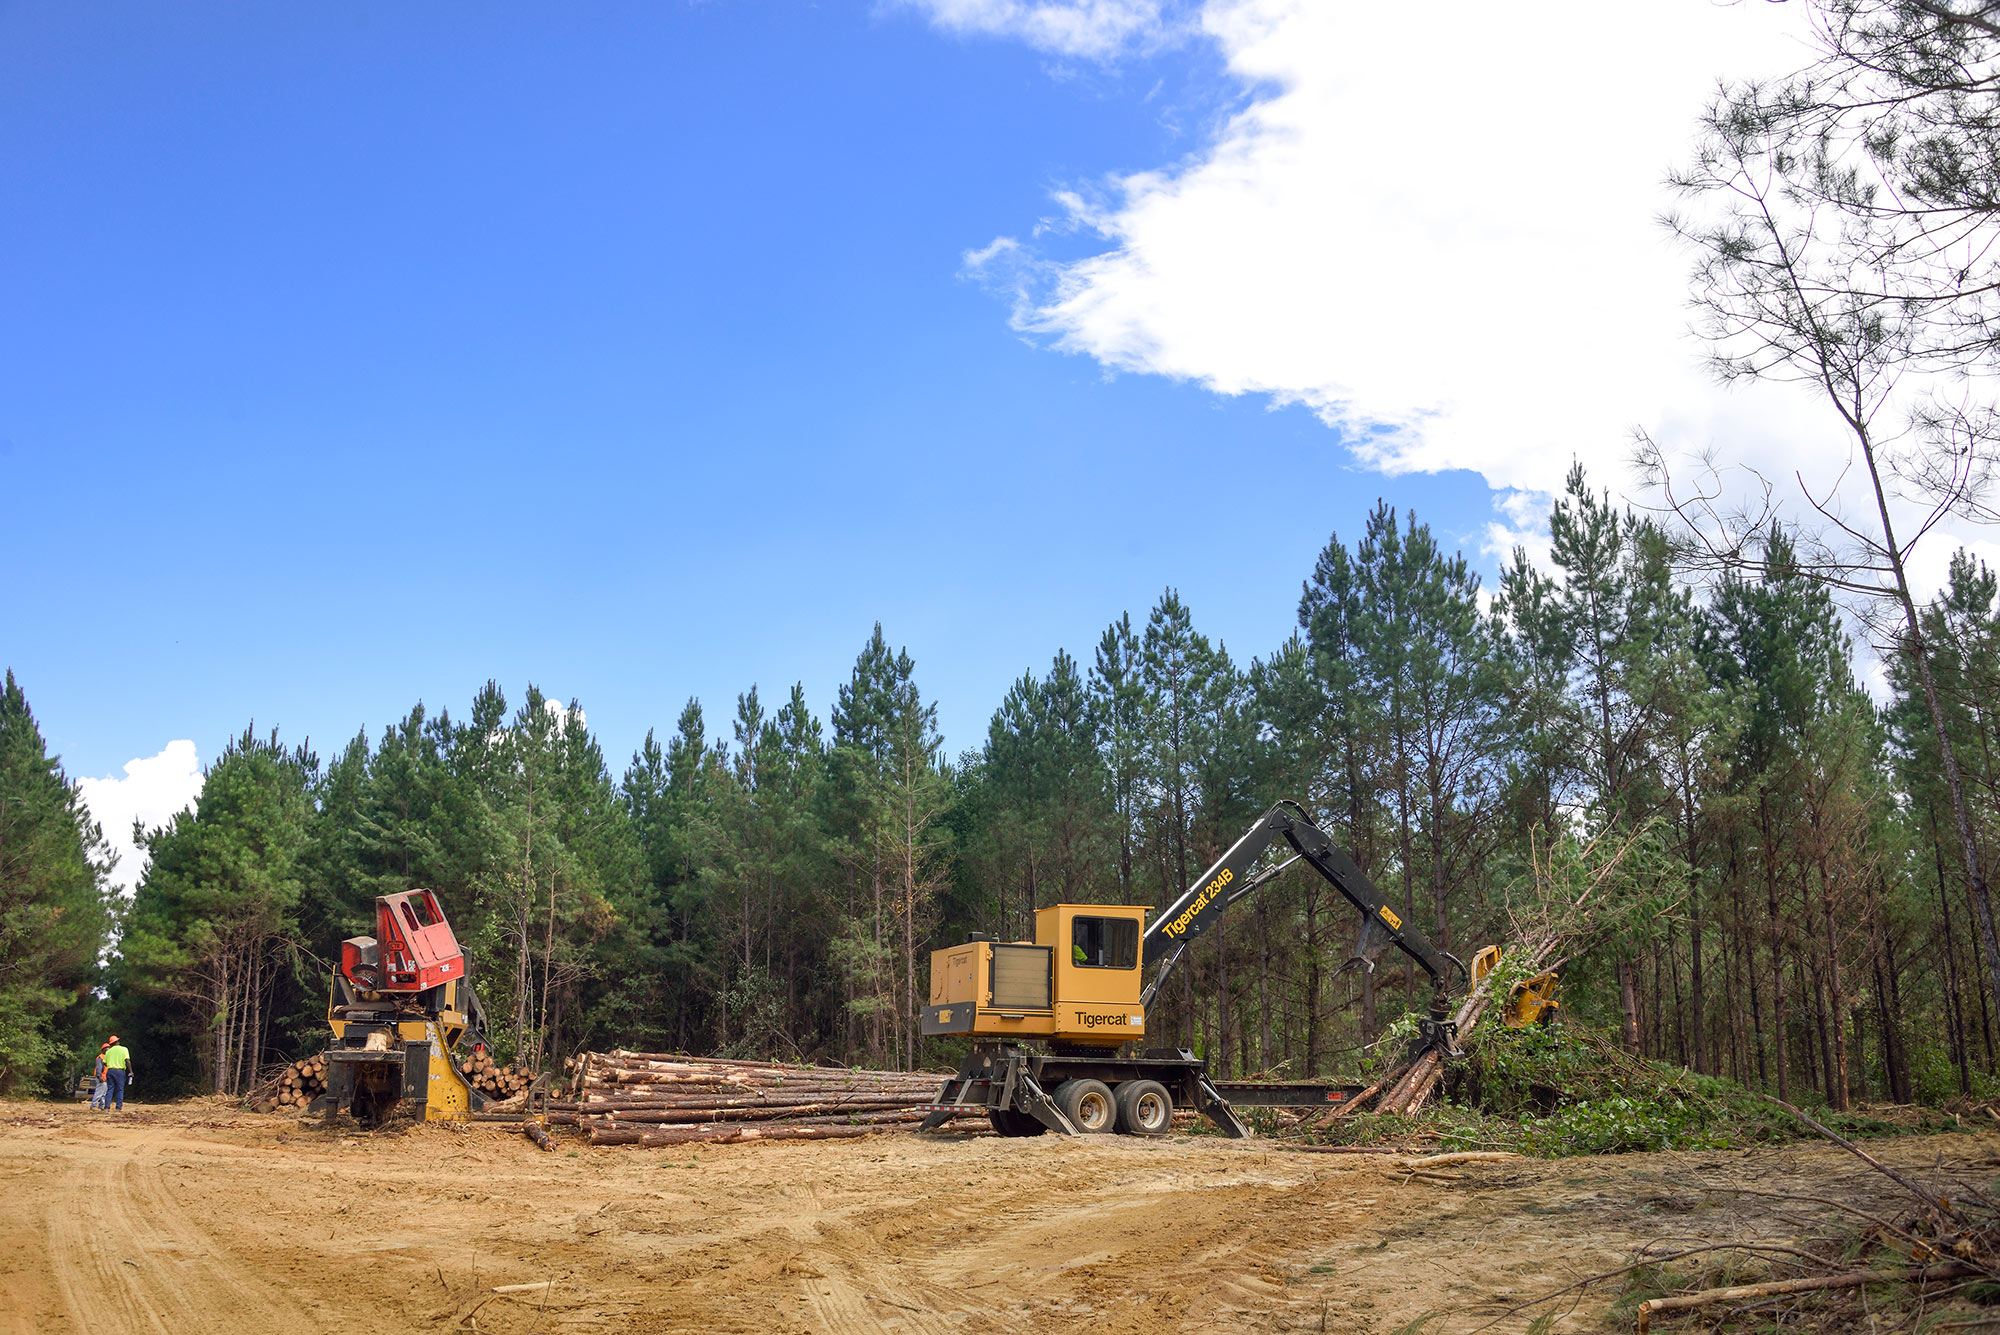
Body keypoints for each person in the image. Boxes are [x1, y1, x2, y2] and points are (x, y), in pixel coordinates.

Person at [102, 1035, 131, 1111]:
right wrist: (131, 1071)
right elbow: (127, 1061)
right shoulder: (124, 1049)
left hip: (110, 1071)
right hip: (120, 1071)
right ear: (118, 1041)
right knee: (120, 1089)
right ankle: (118, 1108)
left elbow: (104, 1063)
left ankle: (106, 1107)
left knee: (110, 1089)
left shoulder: (108, 1051)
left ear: (111, 1044)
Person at [90, 1042, 110, 1110]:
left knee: (103, 1094)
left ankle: (101, 1106)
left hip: (105, 1078)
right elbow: (99, 1068)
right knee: (99, 1092)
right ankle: (93, 1105)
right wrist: (99, 1076)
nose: (108, 1050)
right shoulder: (100, 1057)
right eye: (106, 1049)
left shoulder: (106, 1057)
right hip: (101, 1078)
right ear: (103, 1050)